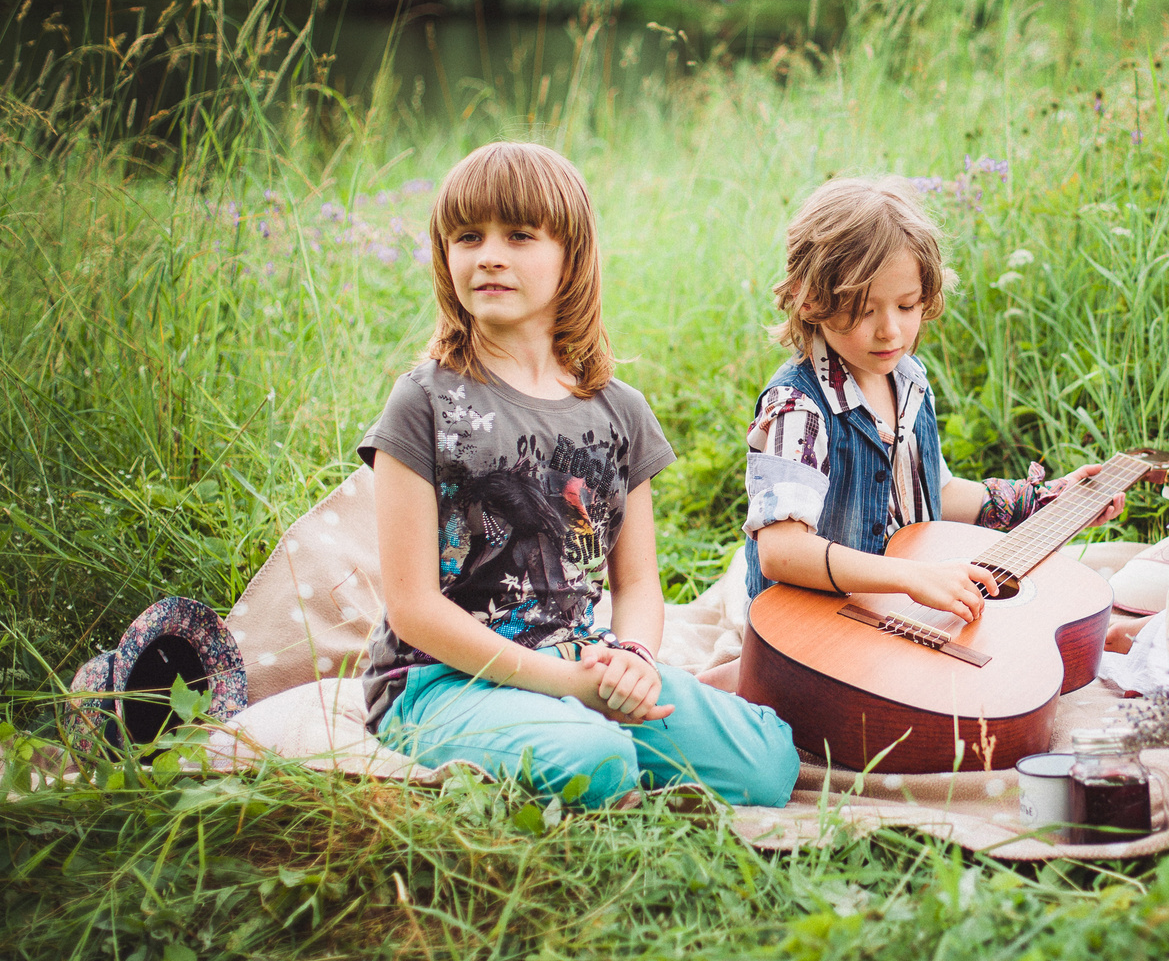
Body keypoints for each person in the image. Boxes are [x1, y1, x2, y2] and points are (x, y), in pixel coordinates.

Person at [358, 141, 799, 808]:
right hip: (441, 679)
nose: (489, 255)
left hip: (579, 657)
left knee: (769, 764)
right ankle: (575, 738)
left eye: (519, 235)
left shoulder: (619, 411)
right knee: (597, 757)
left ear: (571, 256)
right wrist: (567, 687)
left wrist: (633, 660)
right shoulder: (424, 402)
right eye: (468, 236)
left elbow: (638, 580)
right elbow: (412, 608)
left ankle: (588, 725)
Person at [714, 178, 1123, 681]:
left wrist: (1039, 502)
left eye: (906, 306)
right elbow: (781, 552)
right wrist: (912, 578)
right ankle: (735, 682)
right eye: (864, 310)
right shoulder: (800, 407)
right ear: (808, 298)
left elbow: (938, 491)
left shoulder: (908, 380)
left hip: (900, 612)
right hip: (817, 623)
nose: (890, 329)